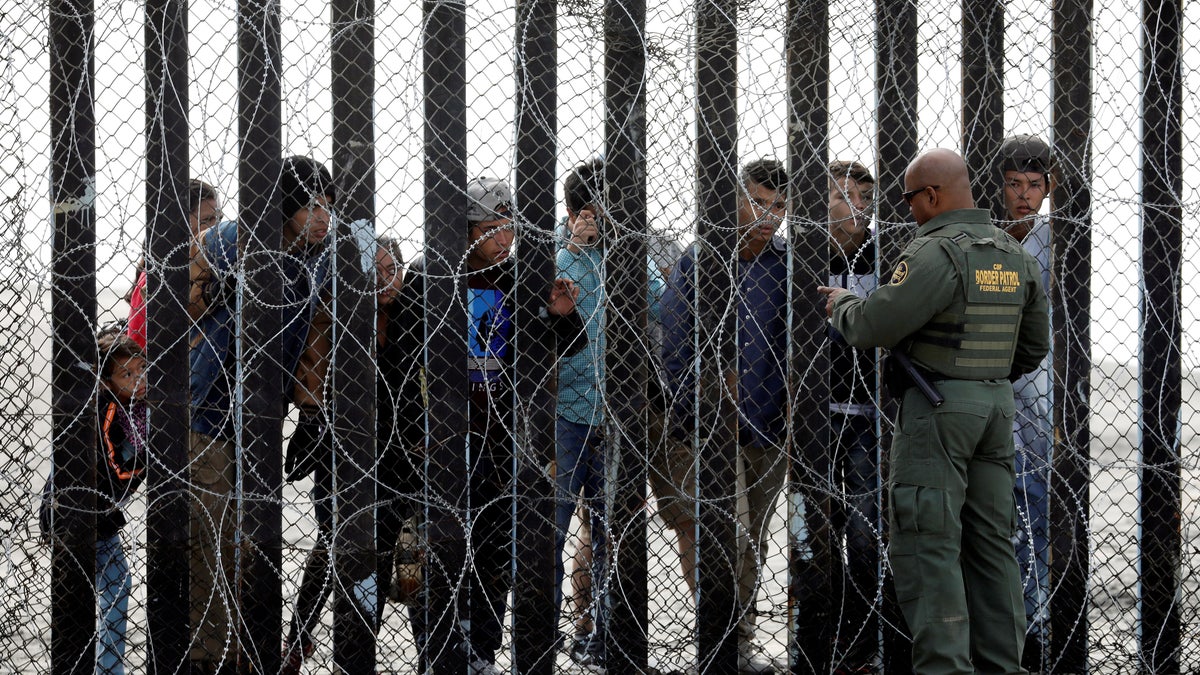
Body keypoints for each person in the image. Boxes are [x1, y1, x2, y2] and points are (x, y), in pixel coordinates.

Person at [818, 148, 1050, 674]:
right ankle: (1001, 665)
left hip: (939, 411)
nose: (910, 211)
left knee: (929, 544)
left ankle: (945, 668)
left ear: (931, 195)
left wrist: (843, 304)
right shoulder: (1014, 255)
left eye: (910, 199)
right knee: (993, 547)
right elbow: (1033, 346)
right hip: (994, 410)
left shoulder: (936, 252)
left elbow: (877, 323)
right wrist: (982, 376)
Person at [391, 177, 582, 674]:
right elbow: (399, 363)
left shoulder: (520, 277)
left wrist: (562, 316)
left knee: (495, 553)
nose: (504, 240)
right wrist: (411, 435)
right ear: (467, 230)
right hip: (439, 436)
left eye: (510, 229)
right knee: (434, 550)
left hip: (500, 435)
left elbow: (562, 346)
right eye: (492, 229)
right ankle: (436, 651)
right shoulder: (429, 277)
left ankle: (482, 651)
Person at [187, 156, 333, 673]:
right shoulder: (233, 239)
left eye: (328, 206)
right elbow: (182, 291)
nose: (322, 216)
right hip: (208, 413)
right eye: (310, 205)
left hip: (261, 425)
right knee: (213, 548)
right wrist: (212, 293)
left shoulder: (315, 259)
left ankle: (248, 654)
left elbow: (311, 336)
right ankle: (211, 659)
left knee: (251, 548)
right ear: (286, 206)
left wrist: (310, 410)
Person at [659, 158, 790, 674]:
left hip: (770, 423)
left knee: (753, 541)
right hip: (714, 427)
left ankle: (742, 641)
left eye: (779, 206)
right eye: (758, 201)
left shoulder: (787, 265)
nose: (768, 215)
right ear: (735, 199)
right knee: (727, 536)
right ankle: (719, 640)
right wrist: (706, 397)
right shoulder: (703, 260)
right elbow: (675, 342)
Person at [553, 158, 665, 671]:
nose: (600, 223)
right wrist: (571, 247)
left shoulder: (626, 257)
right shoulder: (552, 255)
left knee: (610, 532)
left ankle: (601, 635)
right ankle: (541, 630)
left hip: (616, 413)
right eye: (592, 212)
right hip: (562, 413)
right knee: (550, 528)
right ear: (575, 210)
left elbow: (668, 304)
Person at [280, 236, 410, 673]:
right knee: (333, 543)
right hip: (344, 448)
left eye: (393, 269)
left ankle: (357, 650)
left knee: (382, 549)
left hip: (396, 453)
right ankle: (300, 637)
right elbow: (310, 380)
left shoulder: (413, 317)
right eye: (375, 271)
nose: (386, 280)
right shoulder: (338, 316)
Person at [800, 159, 882, 672]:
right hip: (817, 415)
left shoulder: (887, 255)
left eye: (861, 197)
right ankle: (813, 640)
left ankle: (863, 643)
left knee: (865, 536)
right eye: (840, 195)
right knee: (815, 537)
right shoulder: (805, 256)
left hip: (872, 416)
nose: (852, 206)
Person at [39, 331, 149, 675]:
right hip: (78, 514)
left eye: (141, 369)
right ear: (106, 380)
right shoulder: (107, 410)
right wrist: (151, 456)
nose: (139, 379)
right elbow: (117, 469)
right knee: (107, 586)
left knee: (107, 585)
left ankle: (101, 665)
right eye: (126, 374)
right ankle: (105, 668)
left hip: (95, 513)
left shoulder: (135, 410)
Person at [998, 133, 1055, 671]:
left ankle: (1033, 622)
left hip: (1039, 392)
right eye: (1014, 184)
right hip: (991, 387)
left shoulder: (1056, 241)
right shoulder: (985, 238)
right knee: (996, 510)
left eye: (1034, 185)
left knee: (1034, 503)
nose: (1023, 195)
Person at [126, 179, 221, 348]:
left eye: (219, 219)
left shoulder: (188, 266)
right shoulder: (159, 276)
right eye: (207, 219)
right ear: (181, 222)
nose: (216, 228)